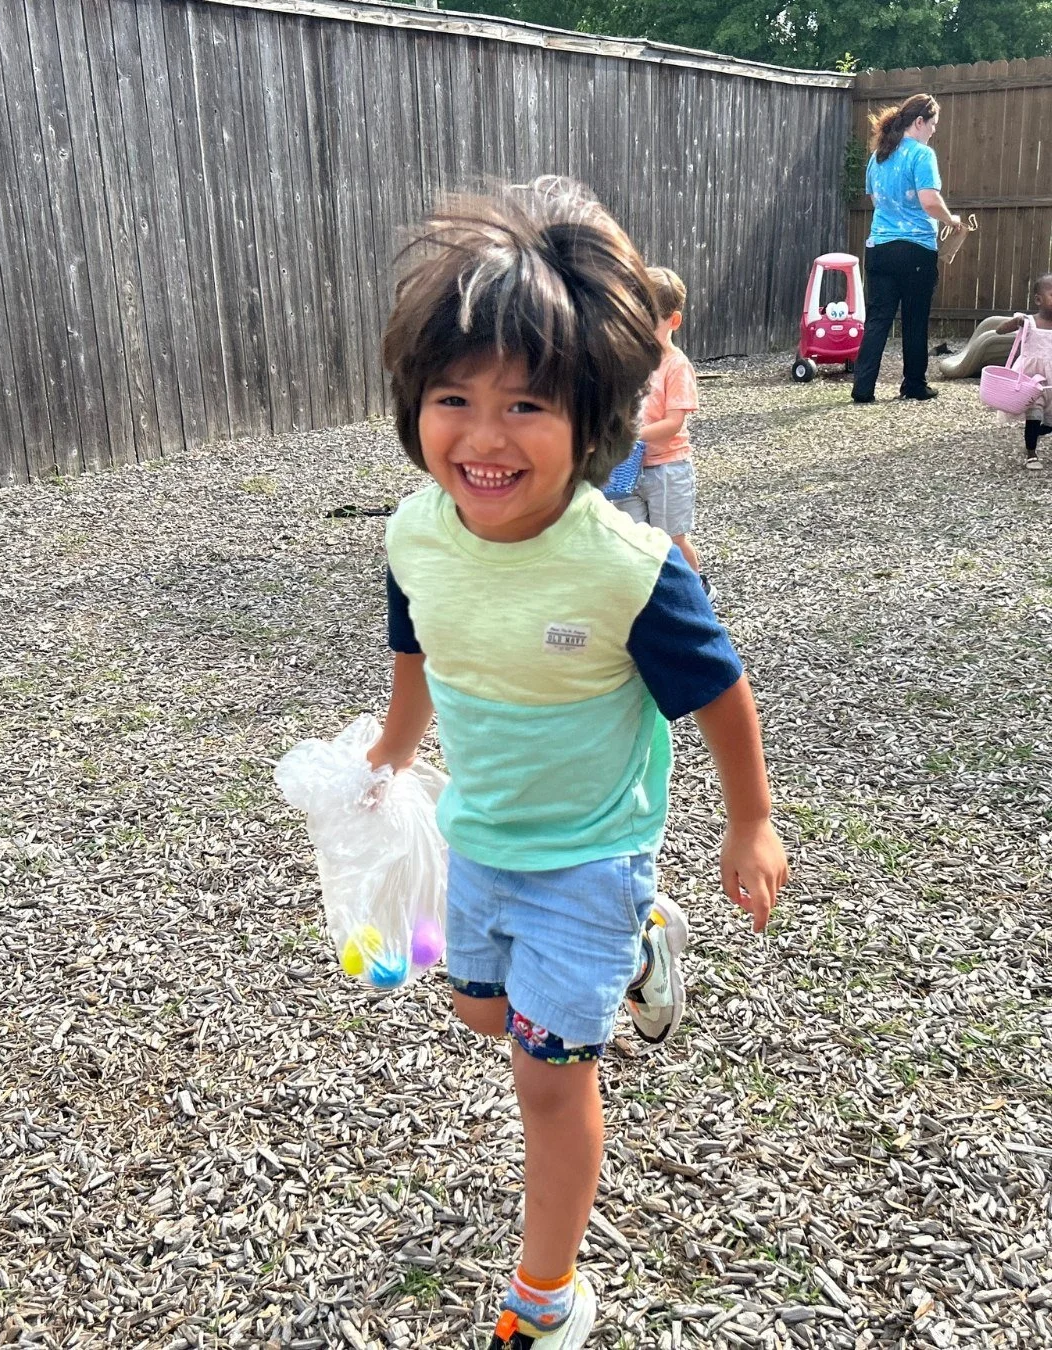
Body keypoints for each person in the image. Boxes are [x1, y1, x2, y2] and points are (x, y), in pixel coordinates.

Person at [371, 177, 789, 1348]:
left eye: (527, 407)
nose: (484, 438)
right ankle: (647, 947)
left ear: (595, 417)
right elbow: (417, 640)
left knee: (550, 1078)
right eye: (453, 398)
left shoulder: (631, 569)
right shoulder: (412, 534)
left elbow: (719, 692)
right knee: (476, 1015)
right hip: (483, 841)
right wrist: (394, 755)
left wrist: (748, 823)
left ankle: (547, 1296)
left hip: (590, 854)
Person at [851, 93, 963, 405]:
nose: (934, 130)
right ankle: (914, 384)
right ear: (919, 122)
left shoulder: (879, 156)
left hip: (880, 248)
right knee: (914, 319)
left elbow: (876, 201)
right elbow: (929, 202)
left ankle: (863, 388)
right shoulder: (922, 155)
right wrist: (951, 219)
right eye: (933, 124)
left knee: (878, 318)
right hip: (915, 249)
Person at [611, 267, 712, 596]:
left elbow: (673, 424)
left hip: (668, 468)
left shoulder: (676, 365)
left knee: (672, 538)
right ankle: (648, 599)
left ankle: (694, 593)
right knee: (634, 538)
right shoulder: (631, 362)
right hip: (627, 470)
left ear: (674, 321)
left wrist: (633, 434)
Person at [995, 274, 1052, 470]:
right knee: (1034, 414)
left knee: (1048, 421)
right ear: (1038, 300)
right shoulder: (1030, 322)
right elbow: (999, 331)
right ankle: (1031, 454)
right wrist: (1016, 322)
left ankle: (1038, 431)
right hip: (1032, 379)